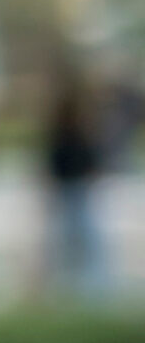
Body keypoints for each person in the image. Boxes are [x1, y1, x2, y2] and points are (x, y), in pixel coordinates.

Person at [42, 50, 113, 301]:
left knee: (79, 235)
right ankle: (80, 285)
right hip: (72, 187)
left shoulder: (75, 129)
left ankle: (86, 285)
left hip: (75, 186)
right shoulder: (71, 129)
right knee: (78, 236)